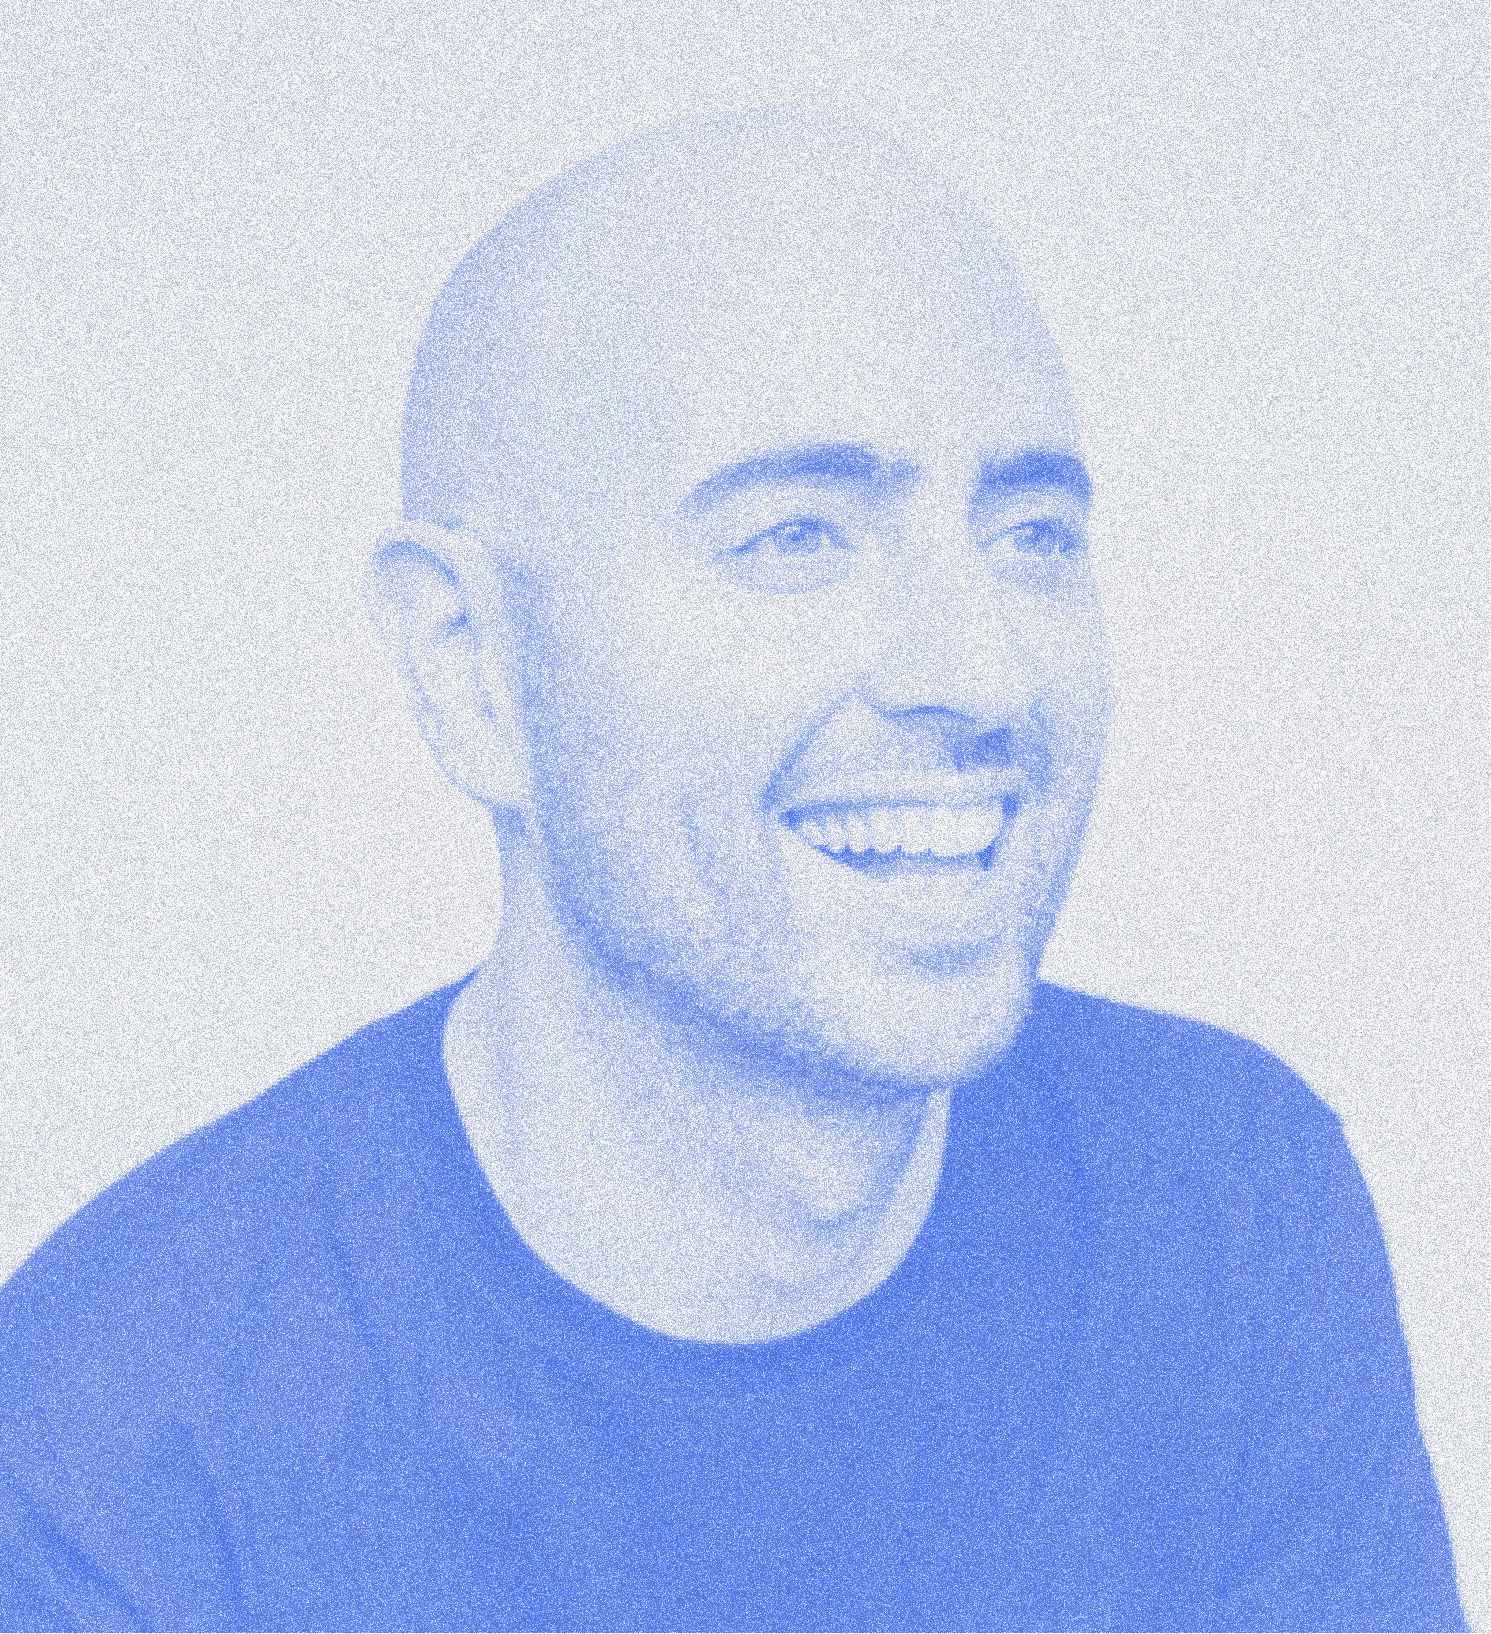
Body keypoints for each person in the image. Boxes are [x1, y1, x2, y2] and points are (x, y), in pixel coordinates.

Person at [0, 112, 1465, 1633]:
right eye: (795, 538)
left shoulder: (1224, 1204)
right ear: (472, 669)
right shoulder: (113, 1448)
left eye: (1031, 532)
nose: (977, 671)